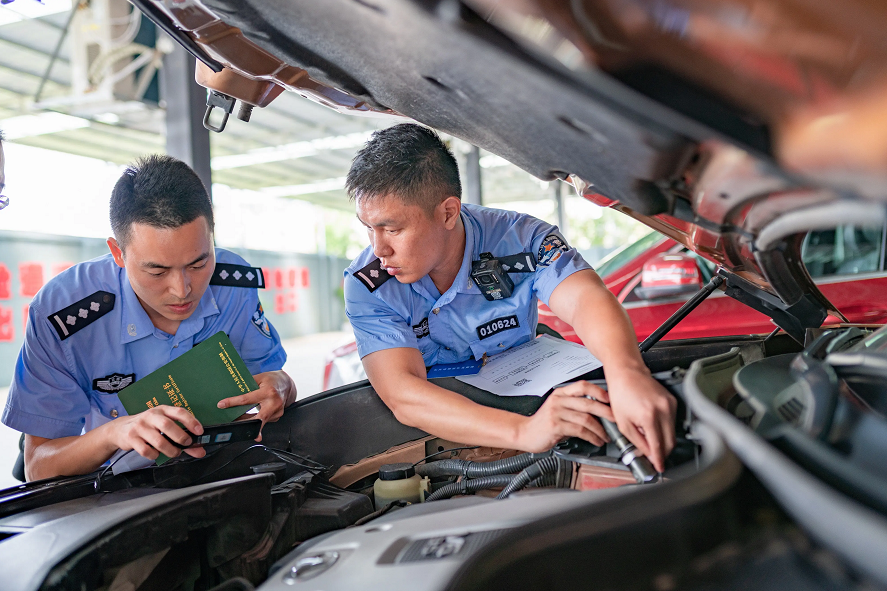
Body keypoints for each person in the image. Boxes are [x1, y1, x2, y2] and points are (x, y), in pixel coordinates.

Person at [343, 124, 677, 472]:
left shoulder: (523, 240)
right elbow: (403, 395)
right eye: (368, 226)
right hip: (444, 432)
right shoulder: (369, 285)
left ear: (447, 212)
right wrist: (526, 431)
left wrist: (627, 373)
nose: (378, 248)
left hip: (533, 400)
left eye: (392, 229)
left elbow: (583, 299)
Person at [2, 155, 297, 481]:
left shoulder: (233, 286)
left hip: (219, 471)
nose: (182, 289)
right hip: (114, 493)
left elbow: (271, 379)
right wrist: (113, 433)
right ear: (118, 253)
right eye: (157, 270)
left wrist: (282, 386)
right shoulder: (66, 315)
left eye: (198, 264)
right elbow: (39, 466)